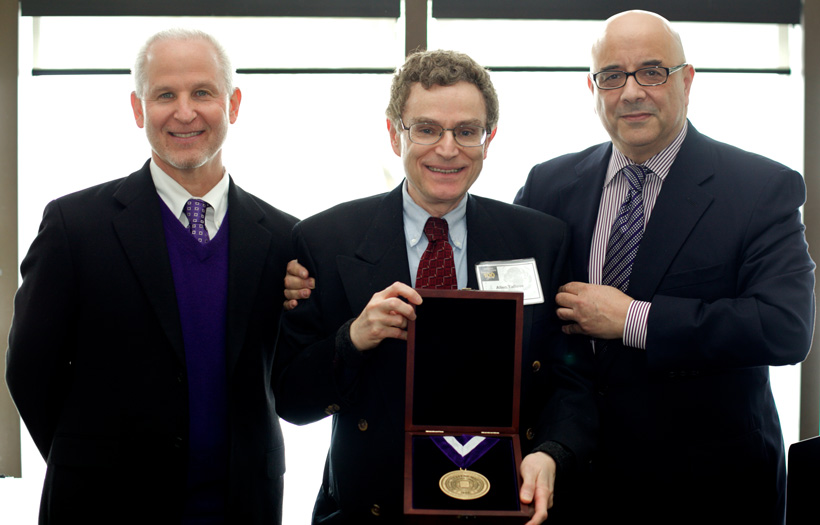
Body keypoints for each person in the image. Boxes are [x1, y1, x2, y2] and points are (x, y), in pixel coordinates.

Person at [513, 10, 815, 525]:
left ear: (687, 79)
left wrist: (634, 318)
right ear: (593, 87)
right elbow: (514, 311)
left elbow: (785, 327)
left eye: (652, 71)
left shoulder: (759, 188)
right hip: (572, 482)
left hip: (709, 489)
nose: (631, 92)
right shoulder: (549, 185)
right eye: (612, 76)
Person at [274, 50, 596, 524]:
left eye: (467, 131)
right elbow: (293, 401)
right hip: (371, 507)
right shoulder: (325, 239)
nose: (448, 149)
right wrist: (354, 337)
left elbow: (573, 382)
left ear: (489, 139)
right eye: (426, 129)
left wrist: (552, 453)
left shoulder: (541, 240)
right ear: (393, 133)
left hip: (504, 504)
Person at [6, 29, 297, 525]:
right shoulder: (74, 227)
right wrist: (87, 457)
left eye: (202, 92)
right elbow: (30, 370)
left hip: (241, 507)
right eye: (165, 95)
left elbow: (290, 377)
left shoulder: (284, 237)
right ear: (139, 109)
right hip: (104, 506)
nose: (185, 112)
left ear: (234, 103)